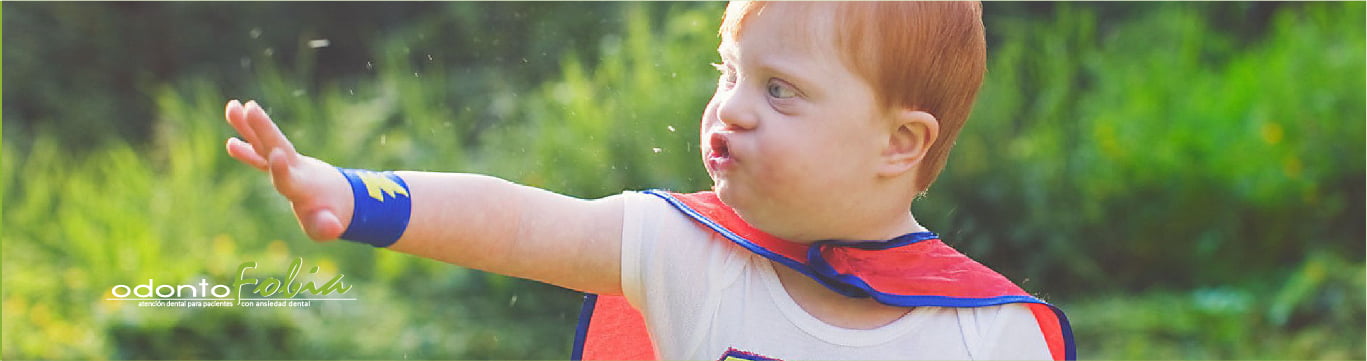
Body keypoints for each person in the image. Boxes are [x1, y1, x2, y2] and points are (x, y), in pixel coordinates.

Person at [224, 1, 1074, 360]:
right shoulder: (688, 251)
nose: (730, 109)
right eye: (729, 72)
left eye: (779, 89)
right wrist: (356, 194)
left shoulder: (989, 334)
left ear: (899, 142)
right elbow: (518, 221)